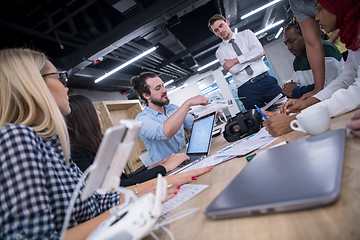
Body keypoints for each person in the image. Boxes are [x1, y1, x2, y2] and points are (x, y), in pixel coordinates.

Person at [0, 48, 212, 239]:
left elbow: (97, 202)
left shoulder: (53, 146)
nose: (66, 87)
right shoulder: (17, 138)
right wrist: (136, 200)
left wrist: (161, 183)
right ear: (33, 85)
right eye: (59, 78)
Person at [263, 0, 360, 137]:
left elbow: (356, 93)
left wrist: (295, 119)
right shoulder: (354, 40)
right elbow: (345, 79)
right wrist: (308, 103)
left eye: (320, 9)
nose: (316, 17)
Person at [66, 94, 192, 187]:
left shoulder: (93, 145)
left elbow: (123, 179)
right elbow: (119, 187)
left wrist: (151, 168)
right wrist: (164, 168)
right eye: (93, 110)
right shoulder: (76, 154)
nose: (98, 113)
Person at [208, 14, 282, 110]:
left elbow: (258, 51)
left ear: (227, 22)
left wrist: (236, 60)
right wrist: (254, 57)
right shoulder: (220, 52)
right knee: (259, 120)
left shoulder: (247, 34)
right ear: (215, 33)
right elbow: (234, 70)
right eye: (216, 30)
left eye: (221, 26)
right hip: (246, 89)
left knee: (285, 108)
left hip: (265, 81)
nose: (220, 31)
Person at [131, 72, 208, 164]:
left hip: (186, 160)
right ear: (146, 95)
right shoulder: (141, 120)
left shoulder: (173, 108)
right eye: (158, 88)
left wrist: (209, 112)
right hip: (169, 170)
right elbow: (164, 133)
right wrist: (188, 103)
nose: (164, 90)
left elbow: (194, 124)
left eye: (163, 86)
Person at [282, 17, 343, 99]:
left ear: (305, 35)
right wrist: (291, 90)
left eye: (292, 41)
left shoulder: (326, 49)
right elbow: (297, 85)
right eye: (286, 44)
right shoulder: (297, 62)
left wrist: (295, 92)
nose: (289, 47)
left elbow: (328, 86)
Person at [289, 0, 326, 99]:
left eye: (319, 9)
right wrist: (318, 89)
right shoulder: (296, 3)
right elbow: (312, 43)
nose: (317, 18)